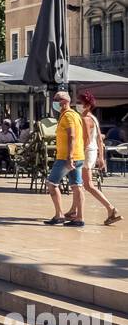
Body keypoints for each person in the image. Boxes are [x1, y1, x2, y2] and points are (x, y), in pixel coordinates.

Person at [76, 91, 121, 226]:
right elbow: (100, 140)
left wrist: (76, 154)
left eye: (80, 102)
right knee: (78, 183)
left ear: (87, 105)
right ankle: (73, 210)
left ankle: (111, 208)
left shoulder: (84, 119)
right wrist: (101, 158)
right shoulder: (93, 118)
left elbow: (86, 140)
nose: (78, 104)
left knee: (87, 185)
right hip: (93, 152)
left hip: (85, 152)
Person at [45, 91, 84, 226]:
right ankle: (79, 218)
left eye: (56, 100)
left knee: (52, 184)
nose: (54, 102)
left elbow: (72, 136)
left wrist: (70, 156)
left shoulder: (68, 116)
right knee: (76, 186)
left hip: (66, 157)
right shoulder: (74, 115)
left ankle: (59, 215)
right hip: (78, 156)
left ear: (64, 102)